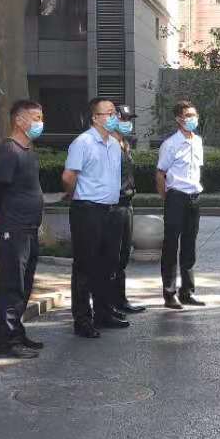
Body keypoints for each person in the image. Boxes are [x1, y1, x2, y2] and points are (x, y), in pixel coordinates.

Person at [63, 97, 128, 337]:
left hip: (111, 210)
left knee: (107, 264)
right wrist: (77, 197)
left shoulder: (114, 144)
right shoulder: (83, 142)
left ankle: (103, 312)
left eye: (114, 113)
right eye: (108, 113)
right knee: (85, 266)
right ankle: (82, 319)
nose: (113, 117)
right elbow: (68, 177)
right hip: (87, 210)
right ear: (95, 118)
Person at [0, 99, 49, 357]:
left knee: (24, 284)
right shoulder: (9, 151)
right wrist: (0, 216)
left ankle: (18, 333)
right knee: (11, 286)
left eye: (41, 117)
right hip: (12, 228)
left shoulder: (28, 151)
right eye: (35, 118)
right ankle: (7, 342)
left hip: (28, 228)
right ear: (19, 120)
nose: (40, 123)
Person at [156, 100, 205, 310]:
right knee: (171, 246)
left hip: (194, 197)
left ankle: (187, 292)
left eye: (194, 115)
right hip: (176, 197)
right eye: (188, 116)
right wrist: (167, 199)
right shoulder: (170, 144)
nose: (192, 119)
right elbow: (160, 173)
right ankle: (169, 294)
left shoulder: (198, 141)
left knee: (189, 246)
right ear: (178, 119)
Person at [111, 105, 146, 314]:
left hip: (127, 203)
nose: (127, 123)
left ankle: (120, 300)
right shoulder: (108, 145)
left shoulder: (124, 144)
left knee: (123, 255)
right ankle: (109, 304)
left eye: (128, 119)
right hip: (114, 205)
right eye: (123, 119)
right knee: (112, 257)